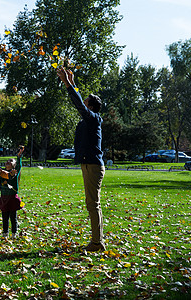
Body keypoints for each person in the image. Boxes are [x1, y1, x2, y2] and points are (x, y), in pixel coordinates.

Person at [57, 67, 106, 252]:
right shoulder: (89, 119)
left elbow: (78, 104)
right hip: (88, 164)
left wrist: (67, 83)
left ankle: (97, 242)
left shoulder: (94, 119)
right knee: (91, 203)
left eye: (86, 103)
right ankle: (97, 240)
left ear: (91, 107)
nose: (83, 105)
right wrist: (72, 81)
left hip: (93, 165)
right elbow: (79, 102)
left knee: (93, 204)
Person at [0, 146, 25, 239]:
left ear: (14, 165)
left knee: (13, 217)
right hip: (4, 198)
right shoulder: (2, 173)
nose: (8, 162)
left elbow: (19, 166)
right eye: (7, 161)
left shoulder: (15, 172)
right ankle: (5, 233)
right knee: (5, 217)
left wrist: (19, 157)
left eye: (11, 161)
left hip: (12, 198)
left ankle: (14, 233)